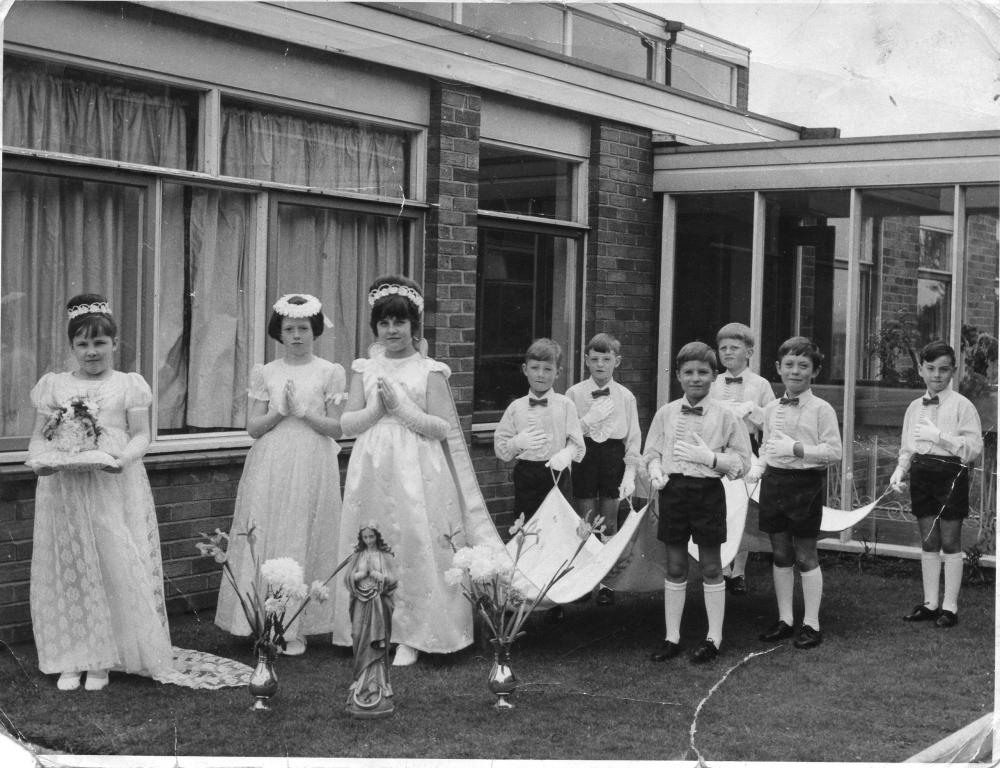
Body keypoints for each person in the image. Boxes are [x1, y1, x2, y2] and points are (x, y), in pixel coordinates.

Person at [28, 294, 249, 691]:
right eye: (82, 343)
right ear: (71, 347)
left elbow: (142, 434)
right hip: (65, 487)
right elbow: (37, 438)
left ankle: (105, 657)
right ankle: (73, 656)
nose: (91, 352)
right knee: (72, 567)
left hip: (111, 483)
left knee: (113, 562)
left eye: (99, 343)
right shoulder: (55, 386)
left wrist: (120, 461)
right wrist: (41, 461)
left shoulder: (128, 385)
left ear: (114, 343)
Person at [331, 276, 500, 666]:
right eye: (385, 323)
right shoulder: (364, 369)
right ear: (376, 327)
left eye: (400, 323)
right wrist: (377, 410)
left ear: (413, 326)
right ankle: (373, 628)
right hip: (372, 466)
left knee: (414, 540)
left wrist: (404, 411)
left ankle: (414, 634)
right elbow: (347, 424)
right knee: (374, 542)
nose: (392, 331)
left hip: (418, 466)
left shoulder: (430, 370)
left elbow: (442, 427)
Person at [215, 294, 345, 656]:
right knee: (270, 530)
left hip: (311, 458)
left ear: (314, 330)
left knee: (303, 529)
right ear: (279, 332)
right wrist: (279, 411)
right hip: (272, 459)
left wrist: (303, 411)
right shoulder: (266, 372)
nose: (297, 335)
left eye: (303, 328)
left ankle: (297, 627)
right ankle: (263, 620)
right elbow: (253, 428)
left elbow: (337, 428)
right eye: (289, 329)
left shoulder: (328, 371)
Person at [644, 341, 752, 664]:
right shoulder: (666, 414)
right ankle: (671, 637)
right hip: (674, 492)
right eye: (688, 372)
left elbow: (743, 462)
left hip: (707, 494)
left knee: (710, 565)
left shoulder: (726, 416)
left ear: (714, 376)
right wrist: (654, 471)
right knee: (675, 565)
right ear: (678, 375)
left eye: (703, 372)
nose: (695, 378)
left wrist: (712, 458)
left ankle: (713, 638)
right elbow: (651, 452)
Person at [746, 336, 842, 650]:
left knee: (805, 554)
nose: (795, 371)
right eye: (789, 365)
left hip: (806, 486)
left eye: (803, 366)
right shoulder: (771, 408)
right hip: (775, 483)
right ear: (778, 368)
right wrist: (758, 467)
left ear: (814, 371)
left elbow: (834, 452)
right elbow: (767, 447)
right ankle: (785, 619)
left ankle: (811, 623)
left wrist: (798, 449)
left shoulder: (822, 409)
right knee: (781, 552)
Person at [890, 340, 983, 628]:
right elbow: (908, 447)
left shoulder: (962, 406)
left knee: (950, 540)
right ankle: (930, 603)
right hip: (922, 473)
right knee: (929, 540)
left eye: (944, 370)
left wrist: (940, 436)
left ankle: (949, 607)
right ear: (920, 369)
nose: (937, 375)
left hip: (950, 473)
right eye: (931, 369)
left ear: (953, 371)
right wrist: (899, 470)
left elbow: (974, 449)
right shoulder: (914, 407)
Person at [566, 333, 642, 605]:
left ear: (617, 362)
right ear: (586, 360)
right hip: (584, 456)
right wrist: (587, 421)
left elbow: (633, 437)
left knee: (609, 522)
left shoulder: (626, 396)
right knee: (585, 521)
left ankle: (608, 582)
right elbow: (568, 433)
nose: (600, 364)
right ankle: (586, 581)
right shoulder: (574, 393)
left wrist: (630, 473)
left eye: (606, 359)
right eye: (594, 359)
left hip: (612, 457)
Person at [710, 322, 776, 596]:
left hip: (747, 447)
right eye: (723, 348)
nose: (727, 353)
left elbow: (773, 420)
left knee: (743, 508)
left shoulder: (760, 384)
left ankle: (739, 570)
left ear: (749, 352)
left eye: (734, 348)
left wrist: (753, 412)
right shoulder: (713, 382)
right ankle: (722, 568)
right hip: (720, 449)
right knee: (723, 508)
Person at [494, 338, 585, 521]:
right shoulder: (515, 408)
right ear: (525, 370)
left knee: (558, 525)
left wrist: (566, 454)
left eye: (548, 369)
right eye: (535, 368)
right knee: (527, 525)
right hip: (526, 476)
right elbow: (501, 448)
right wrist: (516, 443)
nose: (541, 375)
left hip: (557, 473)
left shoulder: (566, 405)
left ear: (558, 372)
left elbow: (577, 443)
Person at [345, 523, 397, 718]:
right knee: (358, 635)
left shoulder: (385, 557)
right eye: (365, 537)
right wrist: (363, 574)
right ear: (361, 538)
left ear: (377, 537)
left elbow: (394, 579)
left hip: (379, 601)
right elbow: (348, 578)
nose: (368, 541)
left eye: (371, 537)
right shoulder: (357, 556)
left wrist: (380, 576)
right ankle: (360, 680)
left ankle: (378, 682)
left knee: (377, 640)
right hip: (361, 601)